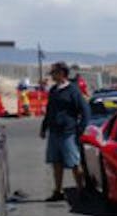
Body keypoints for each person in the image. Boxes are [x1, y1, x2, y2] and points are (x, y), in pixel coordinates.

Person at [39, 61, 92, 201]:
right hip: (54, 132)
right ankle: (58, 191)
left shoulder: (73, 91)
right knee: (56, 162)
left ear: (62, 73)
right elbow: (49, 111)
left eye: (54, 73)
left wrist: (80, 129)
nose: (52, 76)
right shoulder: (53, 91)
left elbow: (85, 111)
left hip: (68, 133)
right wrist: (44, 127)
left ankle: (81, 191)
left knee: (74, 162)